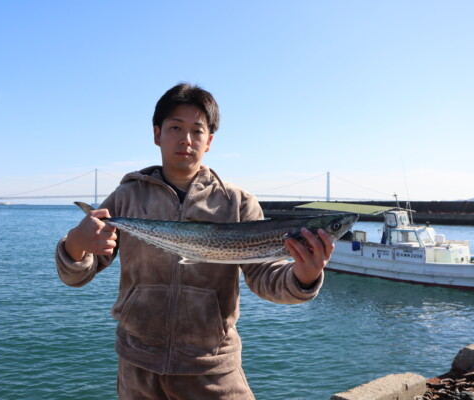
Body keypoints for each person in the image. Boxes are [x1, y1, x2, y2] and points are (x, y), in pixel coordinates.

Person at [55, 83, 334, 399]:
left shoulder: (237, 203)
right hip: (138, 367)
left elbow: (265, 278)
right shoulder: (126, 198)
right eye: (175, 128)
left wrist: (305, 277)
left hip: (212, 370)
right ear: (157, 134)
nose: (186, 139)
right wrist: (75, 245)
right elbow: (77, 274)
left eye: (196, 131)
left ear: (209, 141)